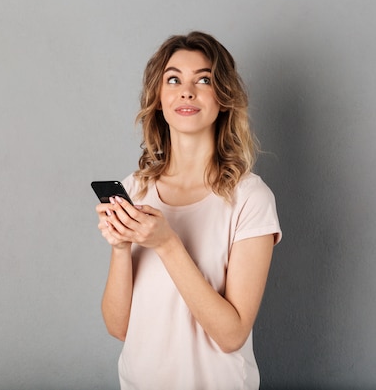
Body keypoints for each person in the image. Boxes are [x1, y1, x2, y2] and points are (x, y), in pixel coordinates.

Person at [95, 31, 282, 390]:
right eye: (174, 79)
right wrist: (121, 248)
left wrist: (166, 244)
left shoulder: (250, 197)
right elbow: (118, 328)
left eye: (204, 80)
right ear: (159, 99)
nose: (187, 90)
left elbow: (232, 335)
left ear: (224, 99)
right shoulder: (136, 188)